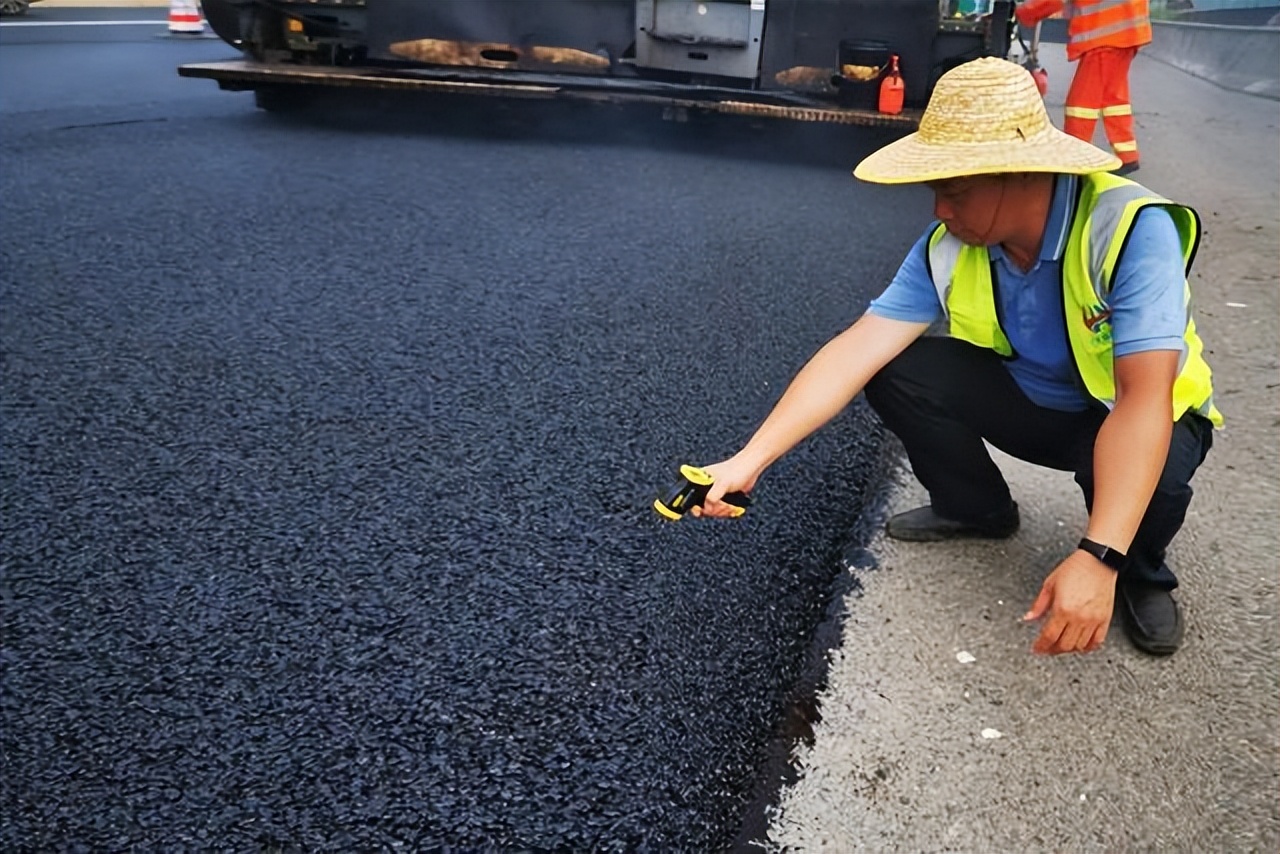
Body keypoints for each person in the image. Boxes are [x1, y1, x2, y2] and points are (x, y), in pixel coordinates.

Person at [692, 57, 1219, 657]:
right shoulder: (950, 245)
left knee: (1159, 468)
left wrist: (1099, 557)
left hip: (1141, 418)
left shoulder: (1128, 230)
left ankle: (1139, 571)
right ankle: (977, 510)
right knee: (896, 368)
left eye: (956, 190)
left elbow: (1144, 401)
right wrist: (750, 458)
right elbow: (855, 349)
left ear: (1024, 172)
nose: (940, 210)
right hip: (1040, 409)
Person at [1015, 0, 1150, 175]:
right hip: (1125, 32)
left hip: (1105, 35)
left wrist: (1025, 12)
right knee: (1113, 99)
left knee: (1081, 104)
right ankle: (1127, 156)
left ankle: (1074, 156)